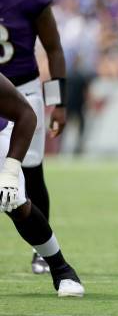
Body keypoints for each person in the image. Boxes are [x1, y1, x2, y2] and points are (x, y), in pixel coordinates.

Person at [0, 0, 68, 274]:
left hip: (23, 90)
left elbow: (53, 47)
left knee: (31, 169)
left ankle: (42, 251)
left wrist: (59, 102)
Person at [0, 72, 83, 297]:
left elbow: (26, 115)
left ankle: (62, 270)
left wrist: (9, 172)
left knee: (14, 202)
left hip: (14, 112)